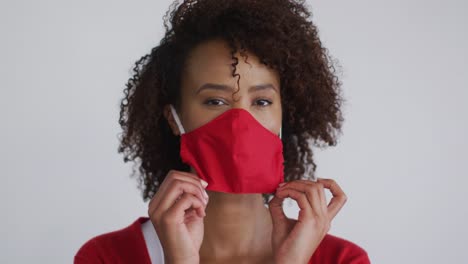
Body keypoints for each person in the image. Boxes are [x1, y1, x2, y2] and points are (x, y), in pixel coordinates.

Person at [74, 0, 370, 263]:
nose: (239, 122)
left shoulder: (342, 259)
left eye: (262, 101)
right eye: (215, 101)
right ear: (174, 118)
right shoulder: (106, 257)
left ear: (283, 115)